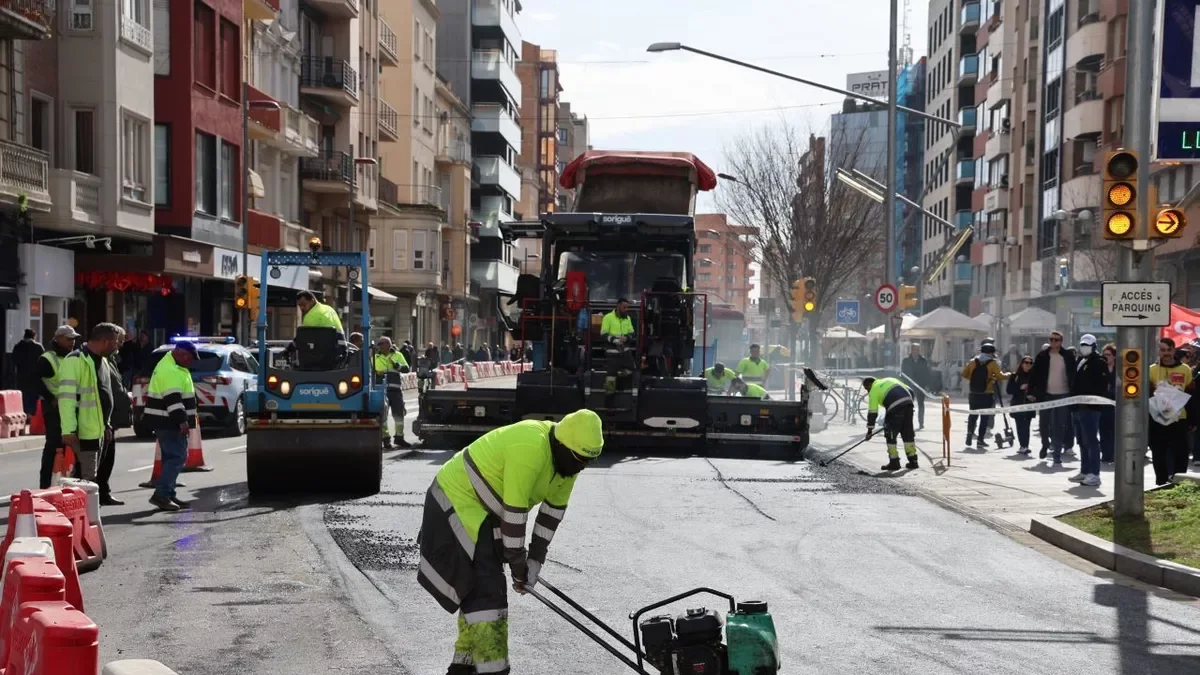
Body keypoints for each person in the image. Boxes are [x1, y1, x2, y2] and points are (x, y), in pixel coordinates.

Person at [417, 410, 604, 675]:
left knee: (480, 588)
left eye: (588, 460)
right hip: (456, 500)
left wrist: (536, 559)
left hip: (487, 513)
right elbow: (514, 513)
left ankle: (464, 666)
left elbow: (552, 514)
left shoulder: (567, 464)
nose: (582, 466)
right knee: (487, 590)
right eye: (579, 459)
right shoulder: (531, 446)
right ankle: (493, 670)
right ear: (562, 444)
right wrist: (518, 565)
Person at [58, 323, 123, 483]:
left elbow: (103, 395)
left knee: (87, 475)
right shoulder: (74, 360)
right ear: (104, 341)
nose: (117, 346)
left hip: (98, 429)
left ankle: (84, 505)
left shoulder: (104, 361)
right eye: (115, 342)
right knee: (88, 478)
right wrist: (68, 429)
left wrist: (106, 424)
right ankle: (86, 507)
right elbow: (67, 398)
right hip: (83, 430)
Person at [142, 339, 198, 511]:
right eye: (189, 357)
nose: (191, 361)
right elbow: (173, 400)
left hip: (165, 420)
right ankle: (162, 495)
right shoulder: (170, 370)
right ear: (180, 353)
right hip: (168, 421)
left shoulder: (172, 365)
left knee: (170, 457)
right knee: (177, 457)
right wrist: (182, 421)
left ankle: (169, 493)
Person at [34, 326, 79, 489]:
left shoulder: (74, 357)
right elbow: (34, 381)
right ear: (58, 339)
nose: (72, 342)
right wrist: (50, 398)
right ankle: (45, 485)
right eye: (68, 339)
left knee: (75, 446)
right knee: (53, 445)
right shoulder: (47, 359)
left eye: (73, 339)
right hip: (53, 409)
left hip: (72, 407)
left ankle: (71, 482)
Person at [1148, 337, 1193, 486]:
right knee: (1158, 452)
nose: (1166, 353)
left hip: (1179, 418)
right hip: (1158, 418)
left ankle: (1180, 482)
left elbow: (1191, 393)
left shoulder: (1185, 369)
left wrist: (1193, 420)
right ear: (1159, 351)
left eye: (1169, 350)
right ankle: (1161, 482)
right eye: (1163, 350)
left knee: (1180, 453)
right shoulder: (1152, 370)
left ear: (1174, 350)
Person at [1030, 331, 1077, 464]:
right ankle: (1045, 444)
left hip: (1063, 394)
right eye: (1051, 339)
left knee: (1059, 425)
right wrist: (1031, 392)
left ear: (1061, 341)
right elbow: (1034, 375)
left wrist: (1074, 391)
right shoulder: (1042, 356)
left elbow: (1074, 374)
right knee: (1044, 424)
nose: (1053, 342)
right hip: (1046, 394)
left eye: (1056, 340)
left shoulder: (1067, 355)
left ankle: (1057, 453)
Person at [1069, 334, 1109, 487]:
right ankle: (1085, 471)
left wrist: (1090, 400)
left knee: (1091, 441)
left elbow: (1102, 385)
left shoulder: (1099, 362)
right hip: (1077, 408)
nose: (1084, 347)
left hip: (1090, 409)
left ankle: (1094, 474)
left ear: (1094, 346)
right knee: (1081, 441)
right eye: (1082, 345)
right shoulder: (1081, 360)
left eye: (1087, 345)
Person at [861, 376, 919, 471]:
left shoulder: (873, 390)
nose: (867, 392)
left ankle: (894, 462)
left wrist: (869, 431)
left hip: (895, 407)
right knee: (907, 433)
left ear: (870, 385)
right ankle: (913, 461)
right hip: (908, 404)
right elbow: (910, 390)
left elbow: (872, 412)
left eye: (867, 388)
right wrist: (907, 405)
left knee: (890, 434)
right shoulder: (890, 380)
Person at [960, 341, 1009, 451]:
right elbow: (1000, 376)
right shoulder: (993, 363)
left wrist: (973, 379)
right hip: (987, 394)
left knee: (973, 415)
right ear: (992, 353)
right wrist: (1009, 375)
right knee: (984, 417)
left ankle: (969, 433)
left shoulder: (972, 361)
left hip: (973, 393)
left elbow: (963, 373)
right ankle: (980, 440)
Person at [101, 336, 132, 506]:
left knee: (108, 459)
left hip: (112, 419)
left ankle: (103, 493)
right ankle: (93, 496)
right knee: (98, 460)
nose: (120, 345)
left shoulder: (111, 360)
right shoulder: (98, 360)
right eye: (118, 341)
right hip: (101, 419)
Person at [373, 336, 411, 449]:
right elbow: (370, 371)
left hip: (395, 390)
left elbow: (406, 368)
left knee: (399, 414)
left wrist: (397, 366)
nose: (379, 346)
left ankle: (399, 438)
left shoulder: (397, 355)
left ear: (388, 345)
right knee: (382, 416)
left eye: (382, 343)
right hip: (381, 390)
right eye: (379, 344)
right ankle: (386, 439)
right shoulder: (375, 357)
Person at [1006, 354, 1037, 455]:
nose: (1028, 365)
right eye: (1026, 362)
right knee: (1020, 426)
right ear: (1022, 364)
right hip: (1017, 404)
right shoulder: (1015, 376)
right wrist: (1020, 388)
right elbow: (1009, 390)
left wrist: (1032, 395)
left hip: (1029, 405)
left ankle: (1025, 446)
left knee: (1026, 426)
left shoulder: (1035, 376)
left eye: (1030, 363)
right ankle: (1022, 445)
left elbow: (1038, 390)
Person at [13, 329, 44, 417]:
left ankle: (23, 413)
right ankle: (31, 415)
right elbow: (42, 360)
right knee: (33, 396)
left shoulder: (18, 346)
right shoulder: (38, 347)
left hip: (21, 376)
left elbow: (14, 359)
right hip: (35, 376)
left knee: (23, 395)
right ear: (34, 336)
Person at [901, 343, 932, 429]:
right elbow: (903, 374)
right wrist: (905, 385)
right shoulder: (906, 361)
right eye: (915, 349)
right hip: (910, 386)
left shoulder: (923, 360)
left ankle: (921, 423)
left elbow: (927, 373)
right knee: (909, 405)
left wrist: (927, 385)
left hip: (921, 386)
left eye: (918, 350)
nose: (916, 351)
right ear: (911, 350)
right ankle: (908, 422)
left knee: (921, 404)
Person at [1100, 343, 1118, 464]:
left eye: (1109, 355)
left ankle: (1113, 454)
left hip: (1116, 405)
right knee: (1103, 430)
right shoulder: (1100, 367)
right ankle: (1105, 454)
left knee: (1114, 430)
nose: (1106, 357)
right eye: (1104, 354)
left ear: (1114, 356)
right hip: (1102, 404)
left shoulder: (1119, 369)